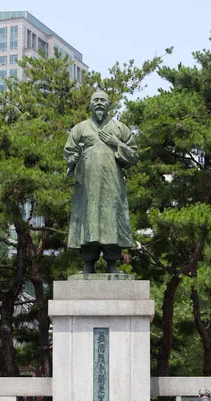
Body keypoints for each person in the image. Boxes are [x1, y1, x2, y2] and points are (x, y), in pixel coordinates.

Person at [64, 90, 139, 274]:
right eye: (95, 100)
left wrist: (116, 143)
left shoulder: (120, 129)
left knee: (111, 219)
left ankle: (112, 264)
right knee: (88, 221)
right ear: (90, 104)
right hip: (87, 186)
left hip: (112, 185)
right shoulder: (80, 128)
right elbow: (69, 151)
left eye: (102, 100)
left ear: (108, 105)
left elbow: (134, 156)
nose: (99, 103)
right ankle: (88, 264)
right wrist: (73, 159)